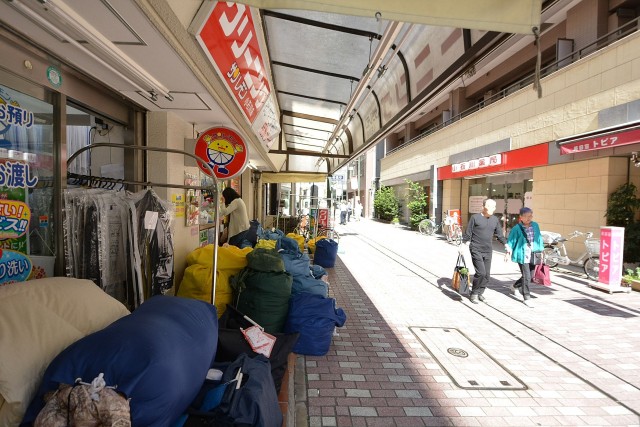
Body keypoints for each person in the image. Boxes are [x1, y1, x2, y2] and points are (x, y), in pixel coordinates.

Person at [462, 199, 508, 304]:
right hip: (476, 248)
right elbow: (468, 233)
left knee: (487, 275)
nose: (493, 208)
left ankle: (480, 292)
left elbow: (499, 235)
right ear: (483, 206)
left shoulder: (495, 220)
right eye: (490, 206)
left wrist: (506, 245)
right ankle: (474, 293)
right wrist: (463, 244)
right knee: (480, 272)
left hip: (488, 250)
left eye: (494, 206)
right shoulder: (475, 218)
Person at [505, 207, 544, 308]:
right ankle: (526, 297)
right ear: (521, 217)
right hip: (522, 255)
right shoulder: (516, 228)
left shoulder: (535, 225)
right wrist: (508, 252)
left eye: (530, 216)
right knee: (526, 276)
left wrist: (542, 251)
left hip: (534, 254)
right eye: (526, 216)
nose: (528, 218)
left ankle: (514, 286)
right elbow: (511, 241)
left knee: (529, 276)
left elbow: (539, 238)